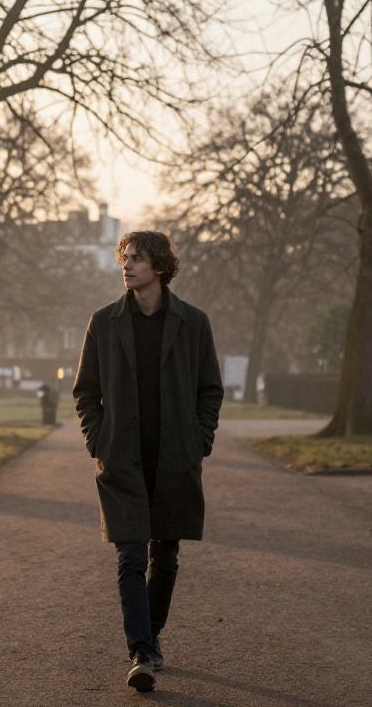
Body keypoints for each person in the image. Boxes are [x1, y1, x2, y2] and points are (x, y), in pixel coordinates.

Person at [72, 230, 224, 693]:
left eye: (136, 259)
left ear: (159, 266)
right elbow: (86, 392)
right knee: (131, 555)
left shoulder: (193, 323)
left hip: (175, 459)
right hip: (122, 460)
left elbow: (209, 390)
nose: (126, 266)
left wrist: (199, 440)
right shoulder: (103, 322)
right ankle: (140, 650)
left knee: (167, 557)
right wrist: (100, 441)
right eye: (124, 258)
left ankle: (150, 641)